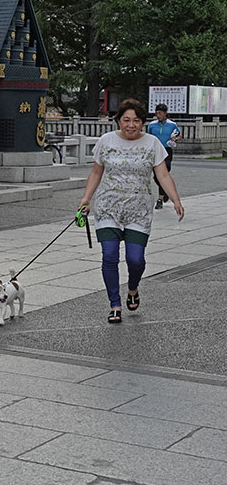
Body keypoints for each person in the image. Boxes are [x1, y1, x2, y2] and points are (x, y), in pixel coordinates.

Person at [78, 98, 184, 324]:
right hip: (108, 208)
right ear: (119, 120)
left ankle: (133, 288)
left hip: (139, 209)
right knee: (109, 255)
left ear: (142, 122)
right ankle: (115, 304)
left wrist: (175, 200)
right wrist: (86, 198)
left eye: (136, 120)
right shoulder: (106, 141)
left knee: (135, 260)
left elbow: (162, 174)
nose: (131, 125)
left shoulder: (152, 143)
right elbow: (96, 172)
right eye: (126, 120)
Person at [147, 103, 182, 209]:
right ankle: (165, 191)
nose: (158, 115)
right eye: (157, 113)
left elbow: (179, 136)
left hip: (166, 151)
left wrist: (175, 139)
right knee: (156, 176)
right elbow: (149, 137)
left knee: (164, 173)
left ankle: (160, 199)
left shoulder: (172, 125)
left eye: (160, 113)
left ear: (165, 113)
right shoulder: (152, 125)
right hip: (155, 151)